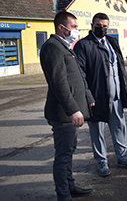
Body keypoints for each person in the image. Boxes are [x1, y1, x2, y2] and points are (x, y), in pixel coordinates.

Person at [74, 13, 127, 177]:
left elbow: (119, 68)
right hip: (96, 98)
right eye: (99, 25)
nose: (102, 28)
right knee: (97, 131)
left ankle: (122, 157)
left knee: (119, 127)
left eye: (105, 26)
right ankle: (102, 161)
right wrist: (88, 96)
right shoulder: (83, 45)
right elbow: (80, 74)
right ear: (92, 26)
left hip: (115, 96)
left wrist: (124, 92)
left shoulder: (112, 42)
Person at [40, 11, 92, 201]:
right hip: (63, 114)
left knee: (68, 151)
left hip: (68, 113)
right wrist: (73, 109)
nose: (77, 31)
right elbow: (59, 82)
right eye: (74, 27)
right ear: (62, 28)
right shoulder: (52, 47)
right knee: (63, 155)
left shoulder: (64, 46)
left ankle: (70, 186)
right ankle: (63, 195)